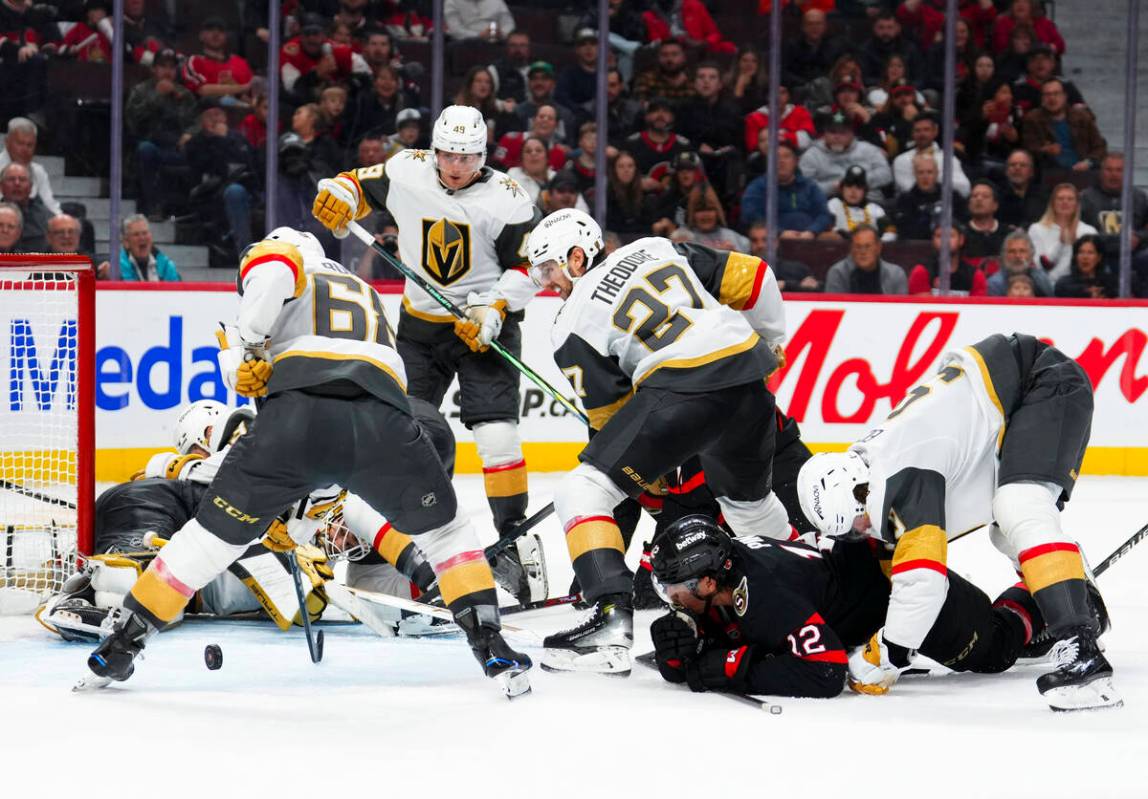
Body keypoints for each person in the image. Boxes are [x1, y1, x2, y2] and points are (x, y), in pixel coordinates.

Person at [82, 227, 533, 696]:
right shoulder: (365, 291)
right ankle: (490, 643)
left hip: (295, 422)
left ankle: (121, 644)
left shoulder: (284, 262)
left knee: (208, 542)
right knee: (447, 534)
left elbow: (273, 268)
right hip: (387, 423)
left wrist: (251, 343)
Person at [524, 207, 789, 674]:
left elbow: (610, 417)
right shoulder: (655, 246)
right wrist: (771, 340)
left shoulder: (569, 325)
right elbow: (755, 275)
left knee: (582, 489)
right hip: (748, 378)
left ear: (577, 256)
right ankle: (805, 585)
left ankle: (609, 616)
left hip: (681, 389)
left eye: (549, 269)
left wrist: (653, 470)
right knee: (750, 508)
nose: (548, 283)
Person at [797, 331, 1117, 711]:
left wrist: (887, 655)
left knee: (1021, 505)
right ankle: (1069, 592)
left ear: (858, 492)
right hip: (1016, 390)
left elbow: (923, 581)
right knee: (1007, 527)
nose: (863, 530)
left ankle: (1080, 647)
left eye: (856, 523)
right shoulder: (881, 463)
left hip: (1042, 381)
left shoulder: (901, 481)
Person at [311, 106, 544, 604]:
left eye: (466, 156)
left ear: (483, 155)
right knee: (402, 431)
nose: (455, 165)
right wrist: (338, 195)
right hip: (420, 328)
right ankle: (404, 531)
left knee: (498, 435)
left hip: (485, 330)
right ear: (434, 149)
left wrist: (495, 307)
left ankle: (515, 540)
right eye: (447, 154)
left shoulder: (510, 201)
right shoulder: (406, 169)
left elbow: (534, 265)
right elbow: (354, 183)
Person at [647, 515, 1039, 698]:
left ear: (709, 581)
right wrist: (686, 651)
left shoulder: (763, 594)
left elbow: (826, 671)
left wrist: (729, 668)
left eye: (673, 588)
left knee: (999, 649)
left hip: (906, 597)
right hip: (866, 575)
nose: (670, 599)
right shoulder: (733, 569)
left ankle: (1047, 592)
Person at [127, 49, 197, 219]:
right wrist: (158, 96)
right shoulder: (141, 91)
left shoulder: (184, 94)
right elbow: (133, 121)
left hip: (177, 148)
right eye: (162, 66)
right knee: (146, 150)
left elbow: (195, 122)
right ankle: (153, 206)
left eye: (172, 67)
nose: (167, 71)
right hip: (151, 145)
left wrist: (190, 133)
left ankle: (193, 212)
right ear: (154, 69)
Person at [183, 99, 256, 254]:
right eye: (210, 116)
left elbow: (249, 163)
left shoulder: (238, 139)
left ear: (226, 119)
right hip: (210, 193)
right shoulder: (196, 143)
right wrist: (220, 140)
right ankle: (245, 253)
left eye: (218, 115)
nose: (215, 120)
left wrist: (226, 140)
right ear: (202, 121)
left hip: (246, 189)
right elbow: (211, 167)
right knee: (234, 192)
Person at [742, 141, 833, 238]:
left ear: (796, 161)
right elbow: (752, 217)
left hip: (809, 238)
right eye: (776, 157)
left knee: (833, 238)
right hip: (772, 240)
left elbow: (824, 214)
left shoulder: (809, 186)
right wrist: (780, 233)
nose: (781, 161)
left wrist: (812, 231)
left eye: (786, 156)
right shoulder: (757, 187)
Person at [799, 111, 892, 201]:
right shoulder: (811, 155)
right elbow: (805, 187)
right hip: (829, 203)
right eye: (833, 132)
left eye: (842, 132)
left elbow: (886, 175)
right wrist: (834, 186)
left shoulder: (868, 150)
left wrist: (857, 181)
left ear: (852, 134)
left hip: (870, 201)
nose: (837, 137)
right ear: (824, 133)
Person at [1080, 152, 1148, 274]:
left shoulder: (1140, 197)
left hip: (1134, 257)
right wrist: (1117, 240)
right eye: (1109, 170)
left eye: (1119, 170)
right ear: (1101, 172)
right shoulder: (1086, 197)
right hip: (1098, 257)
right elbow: (1080, 232)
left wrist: (1138, 236)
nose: (1114, 174)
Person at [279, 14, 371, 104]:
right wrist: (316, 74)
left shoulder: (338, 51)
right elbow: (291, 91)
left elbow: (367, 76)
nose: (311, 38)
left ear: (324, 35)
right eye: (307, 33)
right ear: (301, 36)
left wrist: (347, 85)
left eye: (315, 33)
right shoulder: (291, 52)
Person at [1021, 79, 1106, 173]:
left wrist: (1088, 162)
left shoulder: (1082, 116)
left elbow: (1100, 146)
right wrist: (1045, 151)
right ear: (1042, 99)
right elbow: (1028, 149)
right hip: (1051, 171)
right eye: (1047, 94)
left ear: (1065, 96)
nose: (1052, 98)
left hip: (1083, 169)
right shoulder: (1033, 119)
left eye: (1056, 93)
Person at [1027, 183, 1098, 281]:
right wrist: (1061, 243)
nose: (1065, 202)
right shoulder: (1036, 229)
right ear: (1052, 203)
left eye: (1070, 199)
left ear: (1077, 204)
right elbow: (1039, 267)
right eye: (1060, 199)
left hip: (1079, 284)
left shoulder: (1089, 231)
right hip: (1046, 286)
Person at [622, 98, 694, 194]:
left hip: (675, 203)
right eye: (655, 111)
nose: (660, 115)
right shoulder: (632, 144)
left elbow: (694, 180)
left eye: (665, 111)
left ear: (672, 117)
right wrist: (636, 183)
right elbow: (620, 177)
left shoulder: (683, 146)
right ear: (646, 116)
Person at [892, 113, 971, 197]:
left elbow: (964, 188)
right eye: (918, 130)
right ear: (912, 133)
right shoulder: (902, 160)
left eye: (926, 130)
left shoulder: (948, 159)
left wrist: (933, 174)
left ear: (935, 131)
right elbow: (908, 188)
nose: (922, 134)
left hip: (943, 204)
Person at [180, 17, 253, 103]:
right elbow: (202, 90)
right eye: (210, 30)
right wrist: (241, 88)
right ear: (201, 36)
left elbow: (251, 101)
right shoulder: (194, 61)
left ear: (226, 37)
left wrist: (235, 87)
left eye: (221, 30)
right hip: (206, 112)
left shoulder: (241, 63)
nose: (216, 33)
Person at [0, 117, 59, 214]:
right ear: (7, 142)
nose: (25, 150)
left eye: (29, 145)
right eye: (20, 143)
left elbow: (50, 206)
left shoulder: (38, 171)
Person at [907, 223, 986, 296]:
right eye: (939, 236)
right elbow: (920, 306)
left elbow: (978, 308)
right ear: (933, 241)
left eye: (950, 236)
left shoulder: (975, 275)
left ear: (961, 240)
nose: (945, 240)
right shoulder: (921, 271)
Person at [892, 152, 957, 241]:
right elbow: (905, 231)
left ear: (936, 173)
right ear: (914, 174)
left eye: (929, 172)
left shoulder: (951, 196)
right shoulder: (904, 200)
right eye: (920, 172)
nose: (925, 177)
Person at [825, 225, 907, 295]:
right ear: (851, 249)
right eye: (858, 246)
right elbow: (833, 309)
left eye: (868, 246)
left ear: (878, 248)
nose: (863, 252)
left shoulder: (896, 274)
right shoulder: (837, 273)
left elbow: (901, 311)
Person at [781, 8, 843, 96]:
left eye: (818, 24)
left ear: (825, 26)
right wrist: (807, 83)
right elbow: (783, 73)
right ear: (803, 27)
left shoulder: (835, 45)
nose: (814, 28)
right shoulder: (791, 46)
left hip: (828, 89)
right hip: (800, 89)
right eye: (810, 24)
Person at [743, 83, 815, 154]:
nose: (778, 97)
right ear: (767, 96)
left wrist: (771, 138)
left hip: (796, 156)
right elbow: (753, 146)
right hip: (765, 158)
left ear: (788, 96)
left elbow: (806, 141)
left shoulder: (800, 111)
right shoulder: (754, 118)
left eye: (783, 92)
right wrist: (792, 136)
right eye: (774, 93)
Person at [105, 214, 180, 282]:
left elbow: (177, 292)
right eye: (136, 234)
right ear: (126, 242)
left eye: (145, 233)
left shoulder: (166, 265)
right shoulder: (117, 267)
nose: (142, 238)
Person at [494, 104, 569, 170]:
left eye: (550, 118)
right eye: (541, 116)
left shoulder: (559, 154)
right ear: (533, 120)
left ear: (556, 125)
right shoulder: (510, 140)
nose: (545, 120)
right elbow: (496, 168)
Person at [827, 166, 893, 240]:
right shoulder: (833, 205)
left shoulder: (875, 209)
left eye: (858, 187)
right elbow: (828, 228)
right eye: (849, 186)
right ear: (842, 189)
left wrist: (880, 242)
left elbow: (890, 230)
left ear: (865, 191)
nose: (853, 191)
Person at [860, 12, 923, 88]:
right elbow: (864, 78)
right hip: (879, 88)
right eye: (881, 27)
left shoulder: (910, 48)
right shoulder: (866, 49)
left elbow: (920, 78)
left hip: (907, 88)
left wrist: (904, 83)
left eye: (890, 27)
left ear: (898, 28)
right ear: (874, 28)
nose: (885, 32)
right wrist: (886, 83)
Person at [986, 229, 1053, 296]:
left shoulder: (1041, 278)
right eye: (1012, 251)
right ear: (1004, 255)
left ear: (1031, 254)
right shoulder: (995, 284)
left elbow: (1052, 303)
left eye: (1022, 251)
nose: (1017, 256)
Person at [603, 150, 656, 235]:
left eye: (630, 166)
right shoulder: (606, 195)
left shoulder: (646, 195)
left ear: (636, 169)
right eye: (621, 166)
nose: (626, 170)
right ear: (614, 170)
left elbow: (648, 226)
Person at [0, 162, 49, 251]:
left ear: (30, 187)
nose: (17, 183)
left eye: (22, 179)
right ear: (1, 186)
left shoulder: (47, 219)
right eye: (11, 179)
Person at [991, 0, 1065, 57]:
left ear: (1032, 5)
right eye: (1017, 1)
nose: (1020, 5)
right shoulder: (1004, 22)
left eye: (1025, 1)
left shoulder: (1045, 23)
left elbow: (1060, 45)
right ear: (1012, 6)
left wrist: (1047, 48)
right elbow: (1000, 46)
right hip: (1012, 62)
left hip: (1041, 60)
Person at [632, 38, 695, 105]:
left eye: (674, 54)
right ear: (658, 58)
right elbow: (640, 105)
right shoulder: (646, 79)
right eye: (664, 55)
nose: (669, 59)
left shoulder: (694, 79)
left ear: (683, 57)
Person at [996, 148, 1047, 229]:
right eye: (1013, 165)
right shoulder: (996, 197)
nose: (1017, 168)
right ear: (1006, 171)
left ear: (1031, 172)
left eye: (1023, 165)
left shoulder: (1044, 197)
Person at [1054, 235, 1117, 300]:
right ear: (1076, 257)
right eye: (1081, 252)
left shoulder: (1110, 284)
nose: (1085, 257)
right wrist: (1086, 294)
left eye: (1090, 252)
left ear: (1099, 257)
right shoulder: (1064, 284)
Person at [682, 191, 749, 251]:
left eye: (710, 209)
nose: (705, 215)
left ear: (718, 213)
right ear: (692, 214)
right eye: (700, 210)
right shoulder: (683, 238)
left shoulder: (733, 237)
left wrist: (733, 253)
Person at [555, 28, 599, 111]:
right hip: (577, 119)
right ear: (577, 50)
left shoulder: (605, 74)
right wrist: (581, 111)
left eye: (592, 44)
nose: (588, 48)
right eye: (583, 44)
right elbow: (560, 98)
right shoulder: (568, 74)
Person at [964, 179, 1007, 259]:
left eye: (985, 196)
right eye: (974, 196)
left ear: (995, 205)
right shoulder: (961, 234)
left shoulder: (1008, 234)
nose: (979, 199)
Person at [506, 136, 555, 205]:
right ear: (522, 158)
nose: (533, 154)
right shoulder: (513, 175)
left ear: (547, 157)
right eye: (528, 151)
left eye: (539, 150)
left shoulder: (555, 177)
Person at [488, 29, 530, 103]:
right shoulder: (494, 70)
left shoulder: (537, 68)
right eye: (513, 45)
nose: (518, 50)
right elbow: (487, 99)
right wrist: (502, 105)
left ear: (529, 48)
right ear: (507, 47)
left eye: (522, 45)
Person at [443, 0, 515, 41]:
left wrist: (502, 34)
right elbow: (455, 30)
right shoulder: (452, 2)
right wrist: (479, 36)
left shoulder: (497, 1)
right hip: (465, 43)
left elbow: (509, 25)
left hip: (496, 41)